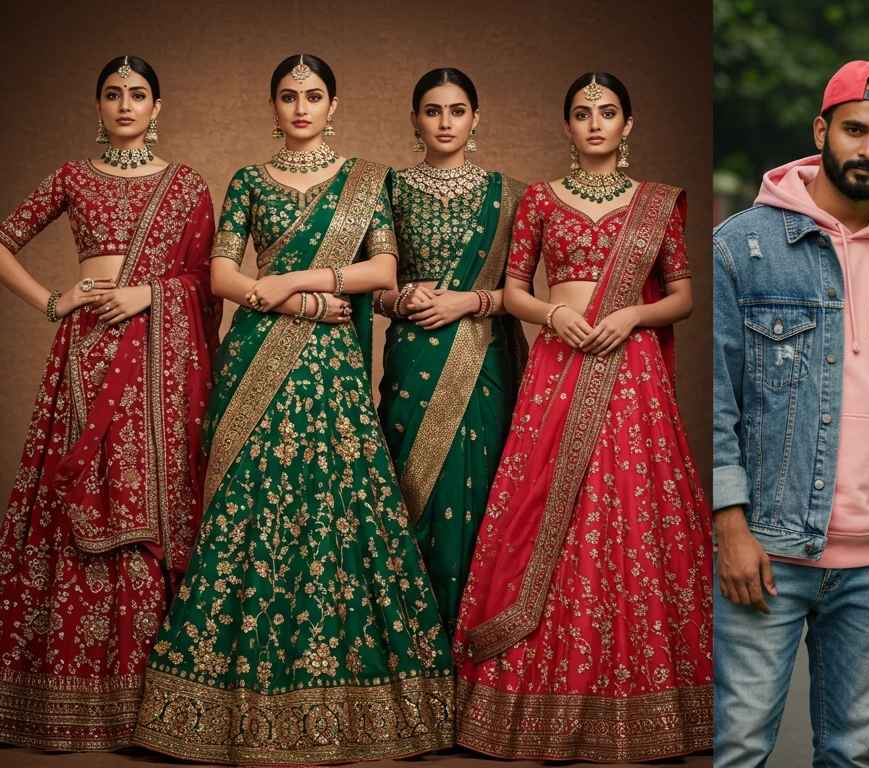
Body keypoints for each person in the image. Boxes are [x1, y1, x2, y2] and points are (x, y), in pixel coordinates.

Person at [131, 54, 454, 765]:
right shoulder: (248, 179)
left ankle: (351, 700)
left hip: (332, 368)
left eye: (313, 96)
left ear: (333, 105)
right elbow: (220, 276)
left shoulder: (366, 181)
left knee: (340, 505)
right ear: (273, 107)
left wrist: (292, 281)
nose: (301, 107)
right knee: (251, 506)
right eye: (288, 96)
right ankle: (221, 704)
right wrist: (297, 300)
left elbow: (382, 272)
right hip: (255, 360)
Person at [451, 72, 713, 762]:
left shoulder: (657, 205)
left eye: (607, 113)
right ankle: (531, 702)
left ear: (628, 125)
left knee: (627, 513)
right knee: (544, 512)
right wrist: (554, 314)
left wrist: (630, 314)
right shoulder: (540, 199)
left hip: (630, 372)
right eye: (581, 114)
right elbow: (511, 292)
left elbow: (681, 296)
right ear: (566, 127)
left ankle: (639, 705)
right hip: (560, 364)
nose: (594, 124)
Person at [712, 60, 869, 767]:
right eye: (854, 130)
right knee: (739, 750)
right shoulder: (743, 247)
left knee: (853, 755)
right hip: (767, 551)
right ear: (822, 129)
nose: (868, 151)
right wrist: (730, 526)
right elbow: (716, 397)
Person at [0, 55, 220, 751]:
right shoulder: (71, 176)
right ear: (99, 106)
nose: (125, 105)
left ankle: (149, 706)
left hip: (160, 368)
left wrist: (151, 293)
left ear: (158, 108)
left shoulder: (185, 186)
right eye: (113, 94)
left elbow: (205, 281)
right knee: (81, 497)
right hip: (87, 356)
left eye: (138, 95)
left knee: (152, 498)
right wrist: (52, 302)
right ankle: (66, 692)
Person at [376, 68, 528, 632]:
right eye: (433, 110)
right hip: (412, 358)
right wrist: (405, 298)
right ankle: (417, 641)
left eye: (457, 110)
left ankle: (474, 638)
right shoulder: (385, 189)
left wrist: (468, 303)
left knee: (480, 486)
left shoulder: (510, 195)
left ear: (476, 118)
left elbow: (523, 295)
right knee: (408, 489)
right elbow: (373, 291)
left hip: (481, 357)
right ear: (415, 119)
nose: (446, 122)